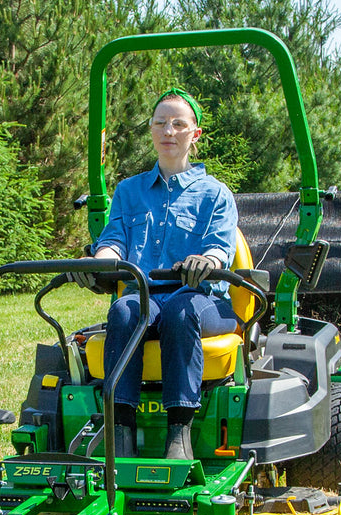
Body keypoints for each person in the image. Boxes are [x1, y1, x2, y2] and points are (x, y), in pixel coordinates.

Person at [76, 87, 239, 460]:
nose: (169, 131)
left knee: (182, 312)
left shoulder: (215, 194)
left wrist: (207, 262)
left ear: (194, 134)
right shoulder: (129, 191)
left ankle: (178, 433)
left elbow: (220, 247)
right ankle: (121, 431)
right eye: (161, 123)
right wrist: (97, 263)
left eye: (178, 124)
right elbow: (113, 240)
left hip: (202, 300)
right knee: (123, 311)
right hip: (146, 296)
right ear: (151, 130)